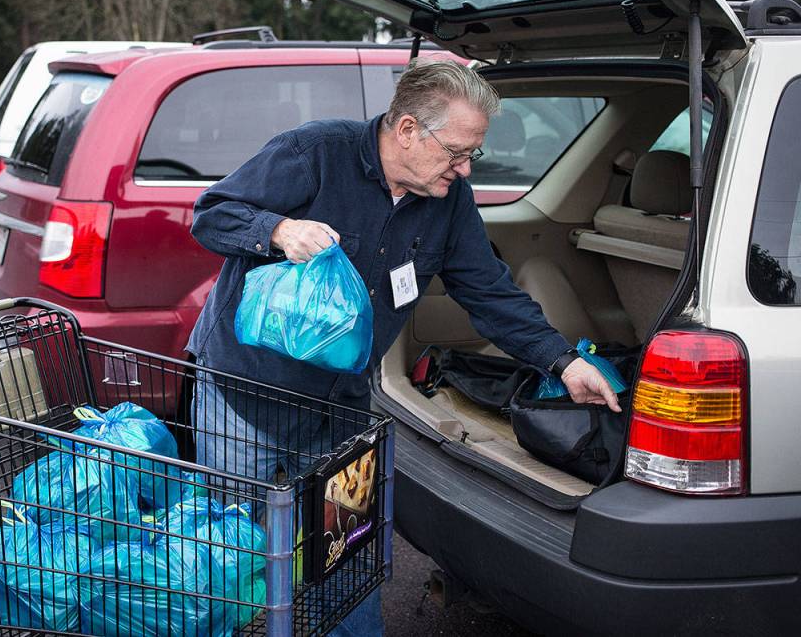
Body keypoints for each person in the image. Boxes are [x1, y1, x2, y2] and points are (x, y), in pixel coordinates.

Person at [187, 58, 619, 636]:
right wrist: (278, 231)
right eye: (457, 152)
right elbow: (212, 214)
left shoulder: (447, 201)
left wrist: (561, 362)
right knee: (232, 552)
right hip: (245, 394)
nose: (465, 170)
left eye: (473, 155)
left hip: (338, 408)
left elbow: (488, 290)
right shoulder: (314, 152)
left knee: (343, 551)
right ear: (409, 129)